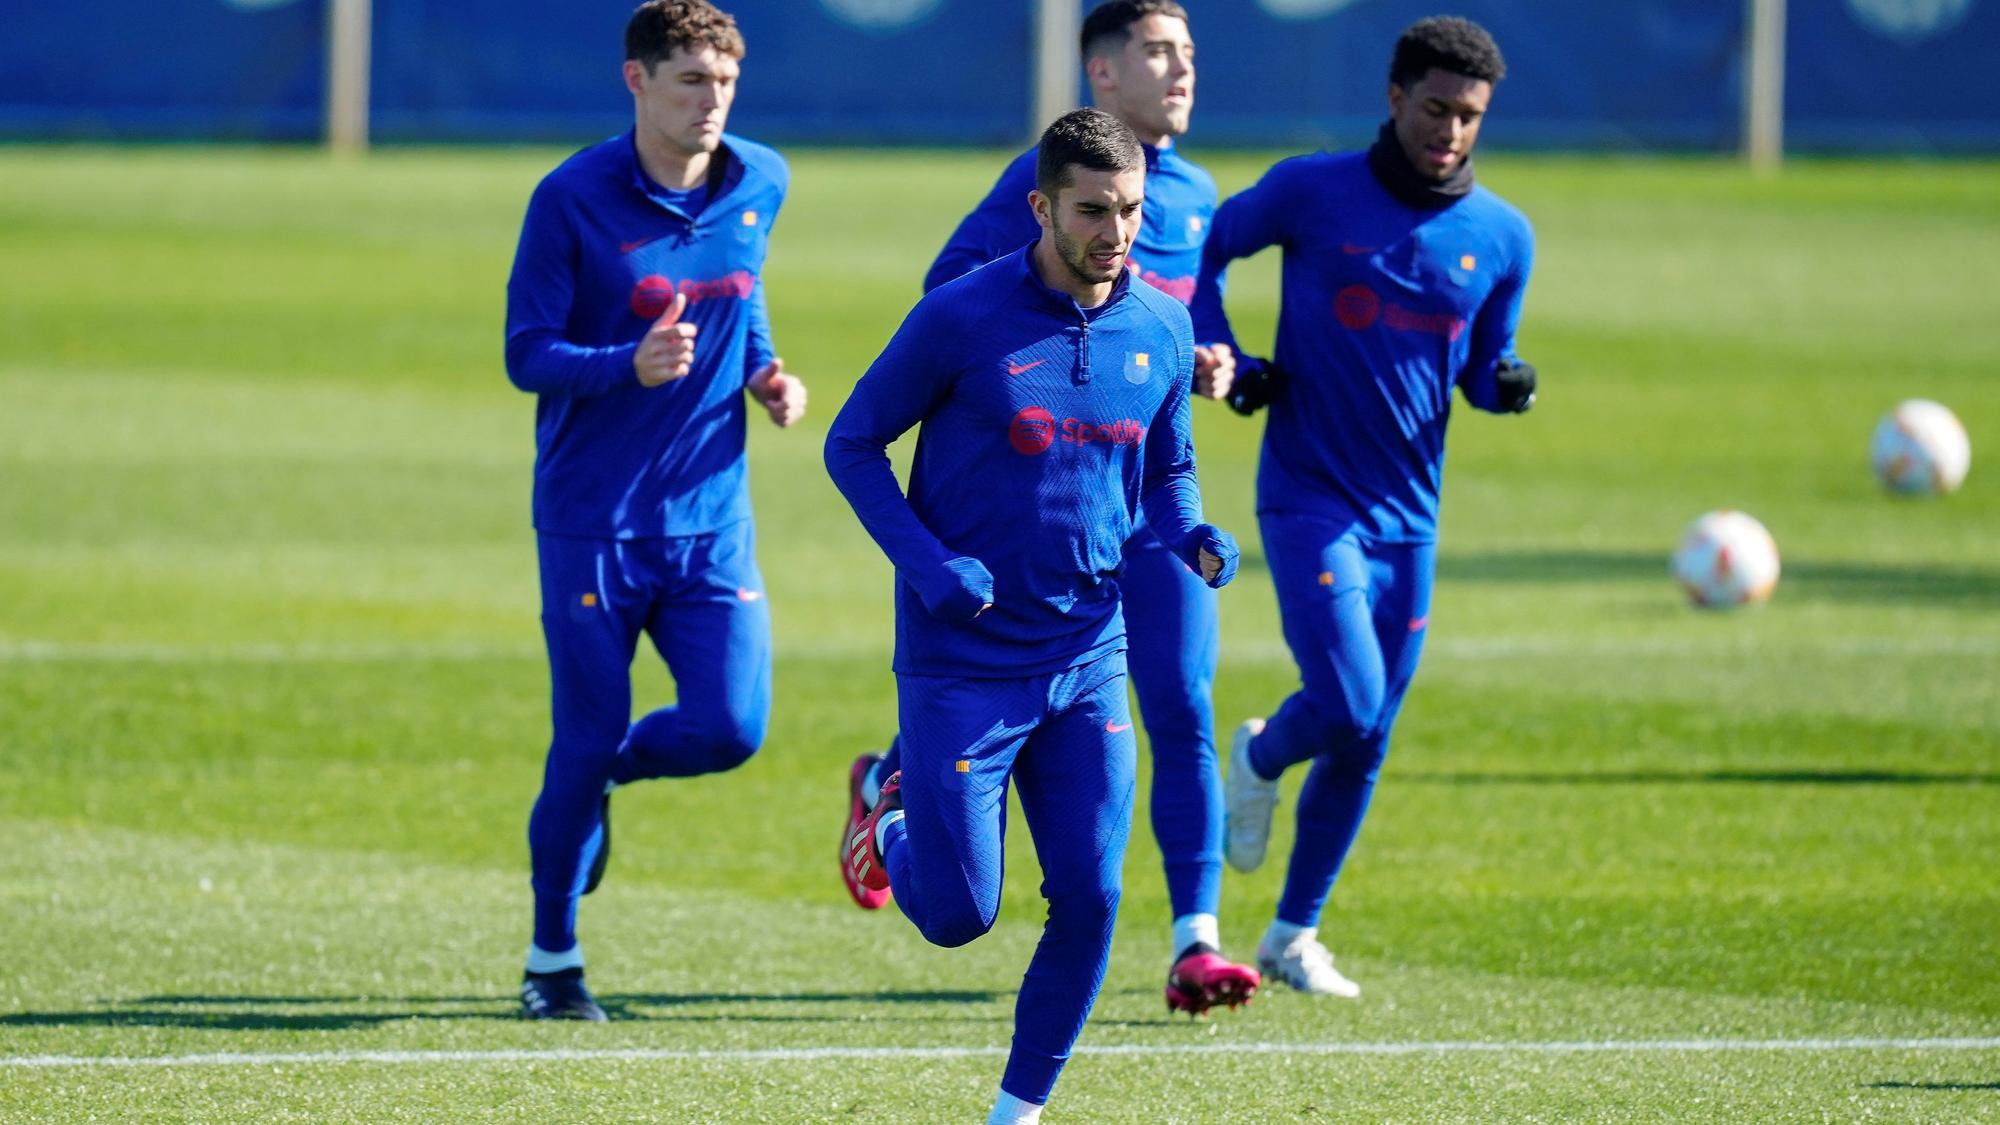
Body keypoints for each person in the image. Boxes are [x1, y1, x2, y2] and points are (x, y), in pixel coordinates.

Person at [838, 0, 1259, 1018]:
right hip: (1032, 489)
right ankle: (901, 794)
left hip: (1135, 497)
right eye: (1159, 52)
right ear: (1101, 72)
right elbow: (955, 304)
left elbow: (1183, 327)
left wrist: (1217, 363)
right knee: (964, 886)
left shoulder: (1193, 191)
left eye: (1189, 53)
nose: (1181, 71)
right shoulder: (1035, 184)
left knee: (1182, 702)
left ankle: (1195, 939)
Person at [1190, 15, 1537, 998]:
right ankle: (1258, 753)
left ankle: (1292, 935)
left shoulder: (1501, 237)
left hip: (1410, 519)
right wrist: (1227, 357)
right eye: (1435, 108)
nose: (1450, 131)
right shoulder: (1310, 189)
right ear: (1393, 98)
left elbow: (1477, 369)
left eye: (1468, 116)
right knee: (1343, 699)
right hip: (1308, 496)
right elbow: (1205, 255)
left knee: (1372, 729)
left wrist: (1500, 382)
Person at [502, 0, 806, 1020]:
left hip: (712, 519)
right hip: (593, 521)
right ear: (636, 82)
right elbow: (525, 352)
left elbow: (740, 283)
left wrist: (762, 370)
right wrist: (622, 366)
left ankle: (600, 784)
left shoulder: (761, 179)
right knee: (578, 736)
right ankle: (552, 963)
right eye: (689, 82)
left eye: (723, 82)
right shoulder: (570, 199)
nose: (710, 102)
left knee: (732, 727)